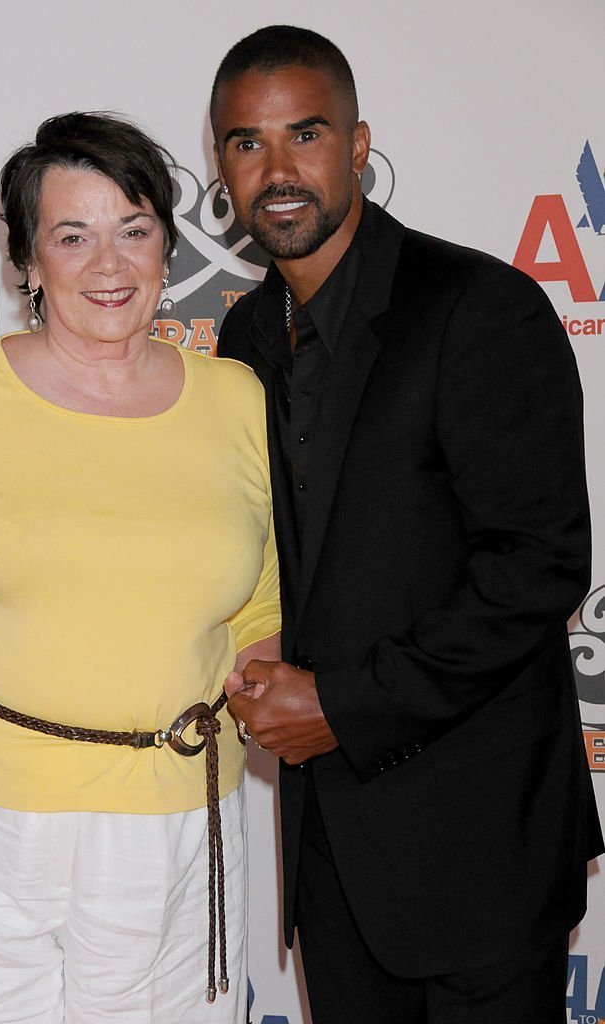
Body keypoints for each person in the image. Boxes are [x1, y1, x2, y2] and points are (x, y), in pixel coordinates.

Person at [0, 111, 280, 1024]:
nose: (108, 265)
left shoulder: (238, 399)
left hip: (180, 828)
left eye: (134, 230)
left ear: (167, 248)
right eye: (72, 236)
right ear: (26, 262)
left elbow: (260, 604)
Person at [212, 24, 602, 1023]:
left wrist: (343, 701)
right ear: (221, 166)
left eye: (306, 133)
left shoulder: (480, 307)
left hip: (477, 845)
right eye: (248, 143)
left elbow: (537, 566)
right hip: (331, 854)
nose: (280, 169)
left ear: (359, 143)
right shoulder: (246, 335)